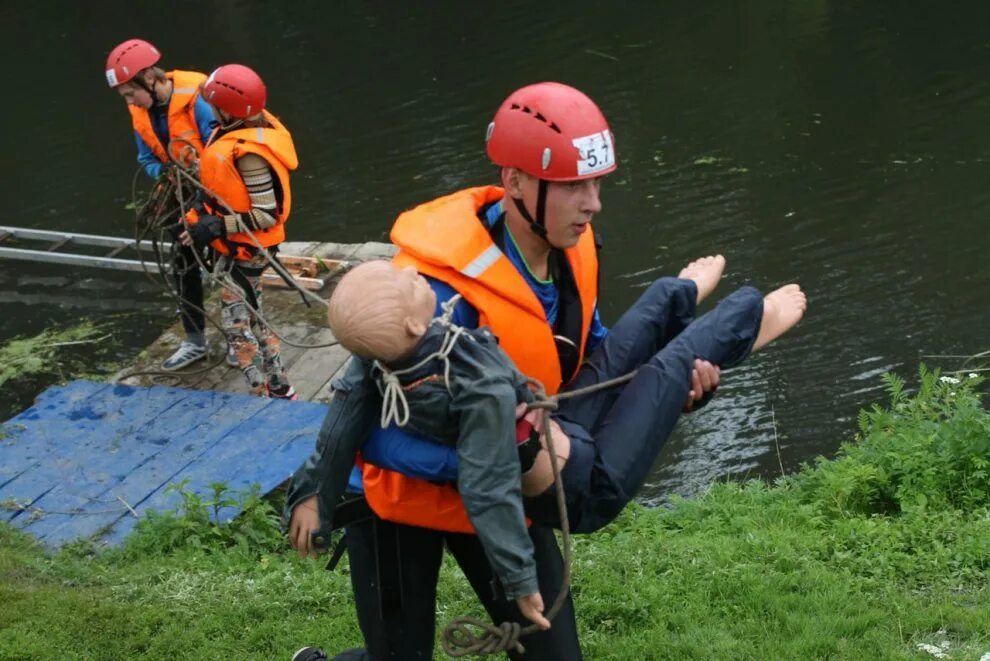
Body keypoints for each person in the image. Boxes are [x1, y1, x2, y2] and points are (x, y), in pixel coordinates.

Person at [286, 83, 729, 660]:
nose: (593, 203)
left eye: (596, 183)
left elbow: (586, 364)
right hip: (399, 499)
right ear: (516, 182)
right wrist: (498, 458)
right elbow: (357, 408)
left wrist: (673, 394)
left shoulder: (570, 249)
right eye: (574, 186)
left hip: (505, 487)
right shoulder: (429, 292)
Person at [179, 64, 298, 399]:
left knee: (240, 326)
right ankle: (278, 388)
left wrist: (217, 226)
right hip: (234, 248)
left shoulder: (249, 156)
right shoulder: (235, 133)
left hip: (247, 253)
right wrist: (199, 220)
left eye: (212, 104)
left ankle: (269, 391)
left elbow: (265, 215)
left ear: (226, 110)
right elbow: (221, 189)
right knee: (251, 321)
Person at [105, 38, 216, 370]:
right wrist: (165, 171)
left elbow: (220, 143)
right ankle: (195, 341)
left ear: (149, 80)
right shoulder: (139, 111)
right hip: (179, 196)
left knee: (231, 266)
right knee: (182, 265)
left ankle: (246, 341)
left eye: (130, 93)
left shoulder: (198, 97)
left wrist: (202, 186)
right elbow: (145, 157)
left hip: (215, 194)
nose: (129, 101)